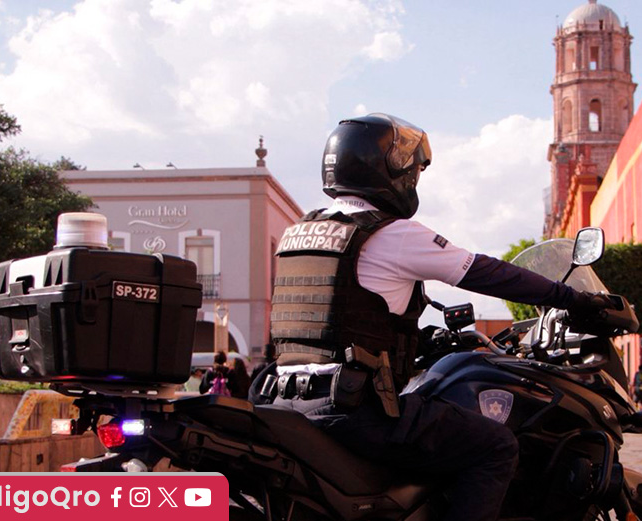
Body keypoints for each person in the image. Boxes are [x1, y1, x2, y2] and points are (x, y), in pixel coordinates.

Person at [264, 114, 622, 521]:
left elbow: (336, 318)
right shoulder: (389, 233)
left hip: (283, 398)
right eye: (410, 169)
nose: (414, 179)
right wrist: (572, 298)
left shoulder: (301, 232)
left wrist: (417, 342)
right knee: (496, 447)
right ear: (384, 168)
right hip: (352, 411)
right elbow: (485, 272)